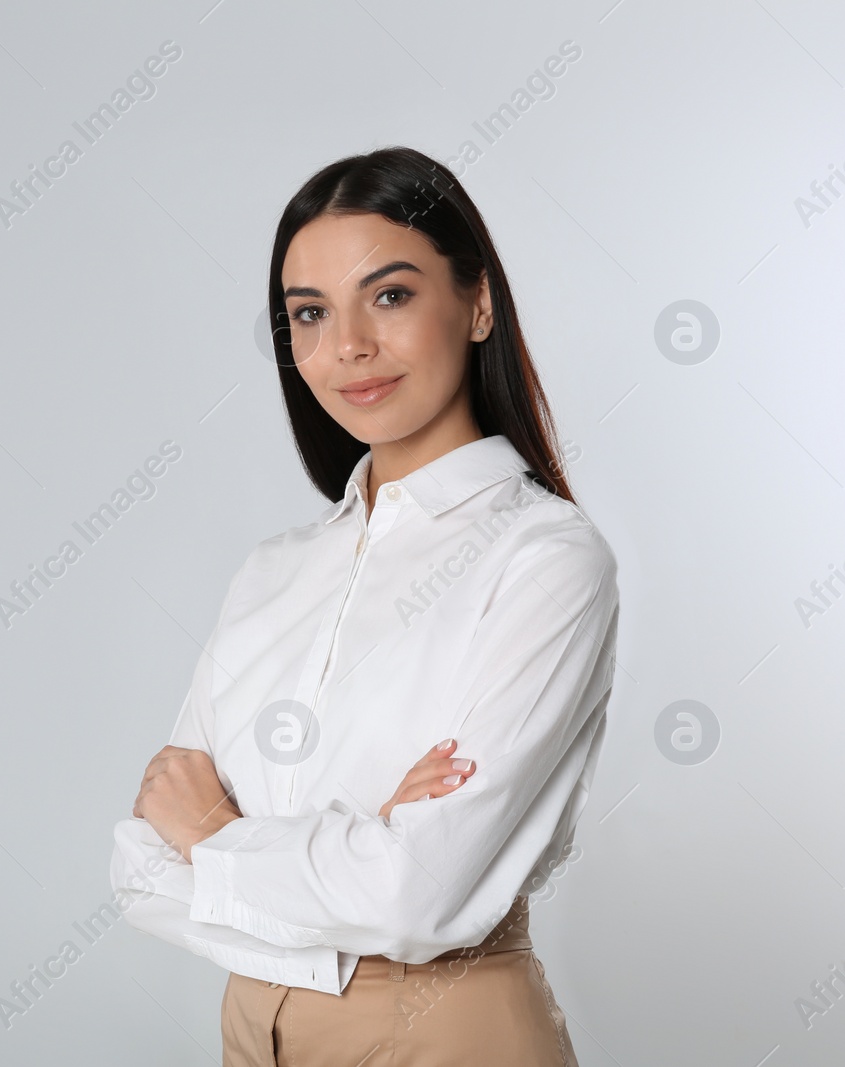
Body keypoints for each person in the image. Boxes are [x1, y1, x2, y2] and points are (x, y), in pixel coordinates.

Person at [107, 145, 620, 1066]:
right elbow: (140, 870)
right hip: (248, 1029)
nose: (347, 345)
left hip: (442, 1031)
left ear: (477, 303)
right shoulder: (272, 571)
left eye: (389, 295)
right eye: (309, 313)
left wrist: (220, 836)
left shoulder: (544, 559)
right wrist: (362, 842)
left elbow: (415, 897)